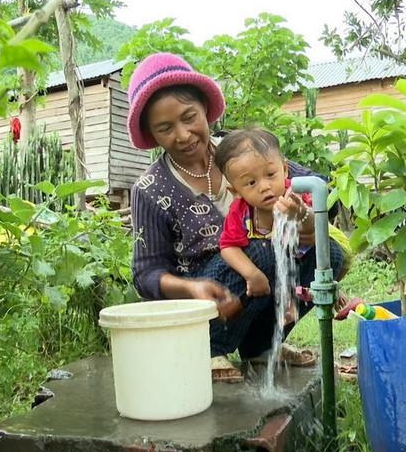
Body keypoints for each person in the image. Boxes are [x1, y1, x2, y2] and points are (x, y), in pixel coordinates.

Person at [126, 52, 345, 382]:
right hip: (212, 298)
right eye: (165, 128)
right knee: (258, 252)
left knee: (331, 253)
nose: (183, 135)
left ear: (204, 108)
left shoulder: (239, 153)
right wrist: (191, 287)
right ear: (151, 134)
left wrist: (306, 220)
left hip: (260, 278)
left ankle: (262, 346)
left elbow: (317, 188)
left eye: (189, 117)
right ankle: (209, 349)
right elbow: (146, 274)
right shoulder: (150, 189)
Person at [215, 127, 349, 324]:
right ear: (235, 191)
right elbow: (228, 246)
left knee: (326, 256)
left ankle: (325, 288)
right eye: (251, 183)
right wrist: (252, 274)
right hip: (274, 262)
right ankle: (281, 309)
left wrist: (301, 213)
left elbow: (313, 227)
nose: (264, 187)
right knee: (266, 256)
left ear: (284, 169)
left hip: (310, 255)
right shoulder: (240, 211)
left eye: (270, 174)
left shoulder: (293, 196)